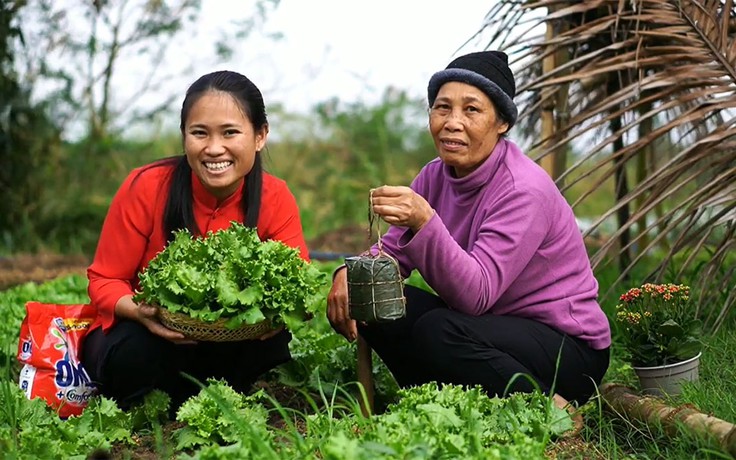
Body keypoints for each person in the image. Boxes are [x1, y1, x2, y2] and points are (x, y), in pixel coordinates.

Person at [327, 51, 611, 417]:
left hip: (565, 348)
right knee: (380, 304)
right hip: (490, 330)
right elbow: (392, 255)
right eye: (442, 108)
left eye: (472, 110)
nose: (452, 122)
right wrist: (348, 275)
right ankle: (445, 406)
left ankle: (549, 409)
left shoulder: (523, 189)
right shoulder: (434, 175)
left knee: (438, 330)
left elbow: (476, 295)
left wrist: (425, 220)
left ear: (502, 123)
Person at [81, 70, 309, 411]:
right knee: (134, 351)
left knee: (271, 345)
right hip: (150, 337)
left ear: (260, 135)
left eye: (230, 132)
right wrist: (141, 312)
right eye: (199, 133)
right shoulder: (146, 186)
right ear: (184, 136)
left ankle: (207, 402)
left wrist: (276, 316)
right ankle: (156, 408)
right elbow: (105, 280)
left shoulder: (275, 197)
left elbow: (296, 283)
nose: (214, 148)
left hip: (229, 342)